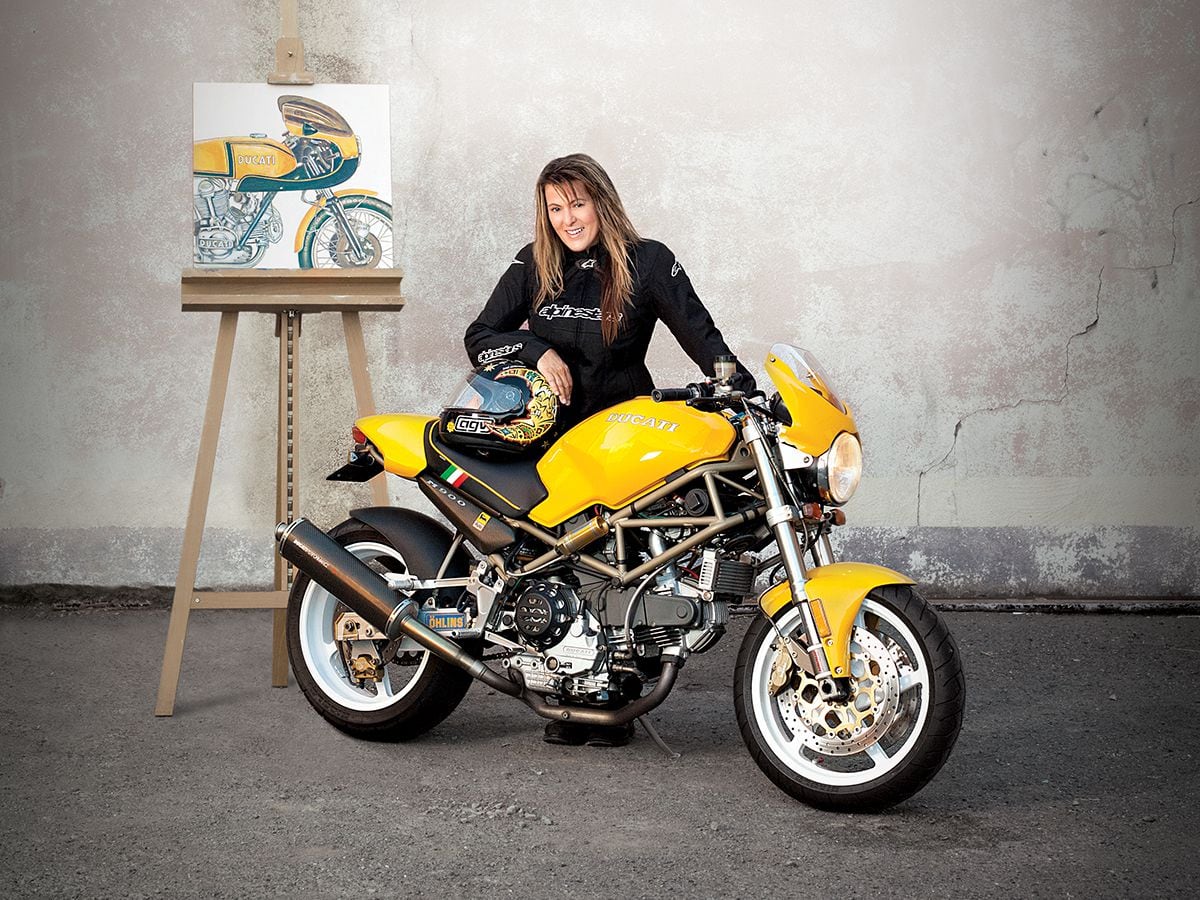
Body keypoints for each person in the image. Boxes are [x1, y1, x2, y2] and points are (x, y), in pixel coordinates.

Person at [463, 154, 753, 747]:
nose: (568, 219)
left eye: (578, 203)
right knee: (556, 561)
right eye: (555, 208)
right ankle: (570, 692)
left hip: (623, 436)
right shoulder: (534, 263)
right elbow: (481, 336)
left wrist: (746, 394)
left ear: (602, 201)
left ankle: (616, 685)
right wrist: (534, 351)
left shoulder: (648, 262)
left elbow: (704, 339)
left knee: (628, 562)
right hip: (551, 440)